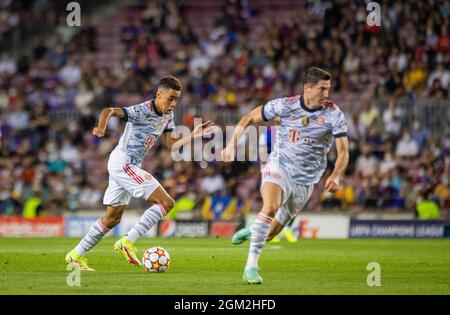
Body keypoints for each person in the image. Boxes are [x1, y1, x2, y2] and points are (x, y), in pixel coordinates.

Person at [65, 75, 213, 271]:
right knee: (166, 203)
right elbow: (109, 111)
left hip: (126, 165)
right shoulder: (142, 110)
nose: (174, 103)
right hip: (124, 163)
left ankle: (75, 255)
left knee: (112, 219)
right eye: (171, 98)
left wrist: (193, 134)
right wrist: (101, 127)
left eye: (177, 99)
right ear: (159, 94)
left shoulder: (168, 115)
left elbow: (170, 145)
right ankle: (128, 241)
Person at [221, 67, 349, 284]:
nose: (326, 94)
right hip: (279, 165)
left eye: (328, 89)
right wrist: (231, 144)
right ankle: (251, 267)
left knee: (270, 234)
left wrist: (336, 175)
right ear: (307, 88)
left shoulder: (333, 114)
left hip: (307, 179)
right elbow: (249, 117)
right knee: (270, 206)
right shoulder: (285, 105)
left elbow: (343, 150)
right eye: (322, 89)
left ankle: (254, 229)